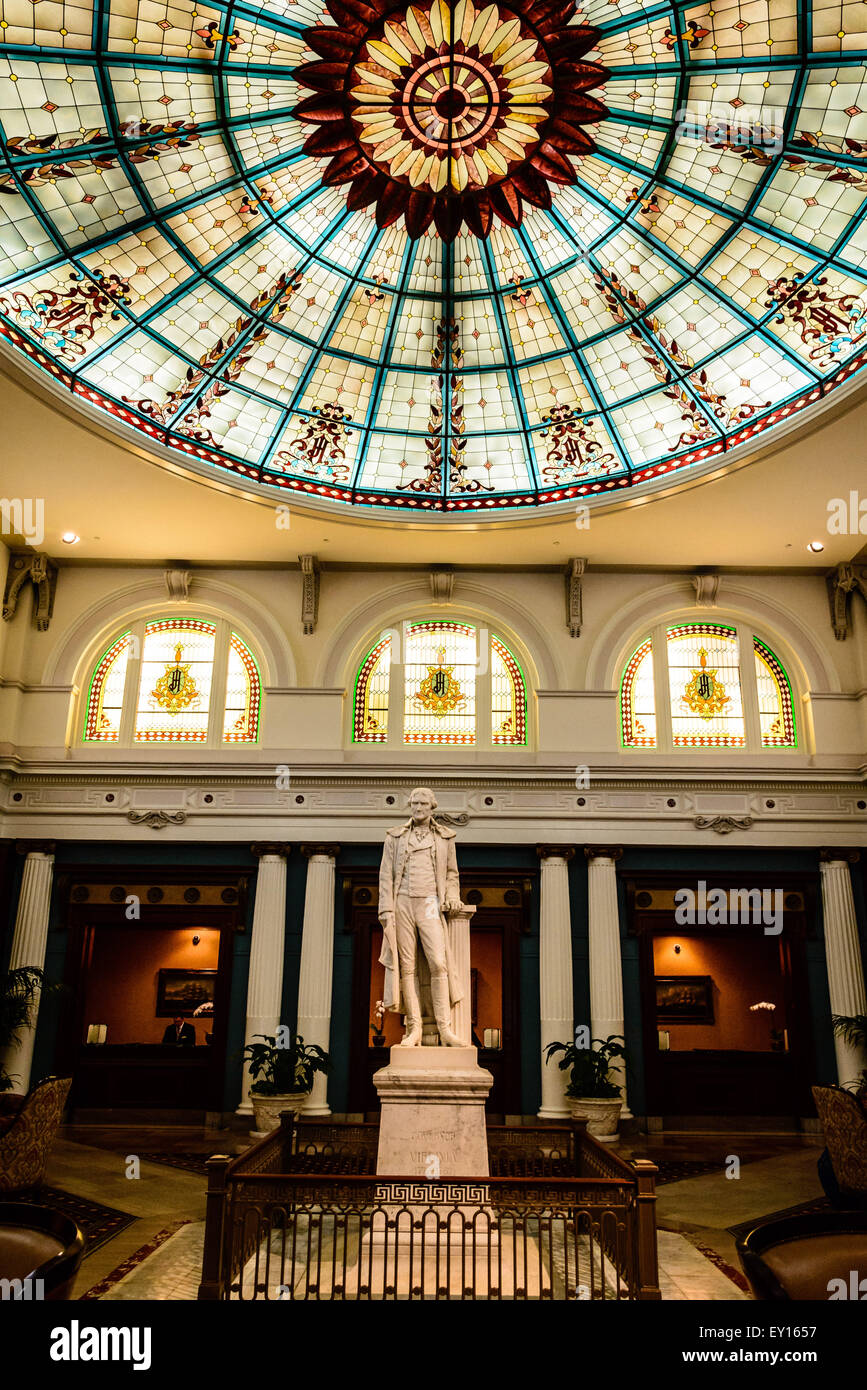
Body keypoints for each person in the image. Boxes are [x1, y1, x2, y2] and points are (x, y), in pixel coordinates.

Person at [378, 786, 464, 1047]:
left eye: (423, 804)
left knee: (438, 962)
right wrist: (386, 909)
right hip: (402, 901)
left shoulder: (444, 838)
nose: (417, 808)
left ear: (432, 807)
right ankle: (414, 1029)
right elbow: (385, 876)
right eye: (414, 803)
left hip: (429, 902)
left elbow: (451, 874)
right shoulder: (395, 837)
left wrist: (452, 895)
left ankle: (444, 1028)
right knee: (407, 966)